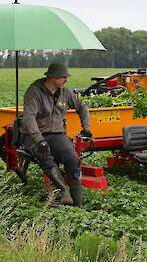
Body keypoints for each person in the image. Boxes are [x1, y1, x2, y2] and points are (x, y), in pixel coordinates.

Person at [20, 63, 92, 207]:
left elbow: (82, 107)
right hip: (33, 135)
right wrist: (39, 140)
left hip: (57, 134)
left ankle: (78, 205)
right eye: (63, 77)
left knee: (72, 158)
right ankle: (65, 192)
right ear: (52, 78)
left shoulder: (65, 92)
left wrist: (86, 127)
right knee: (45, 156)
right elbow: (29, 119)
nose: (66, 80)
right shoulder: (34, 92)